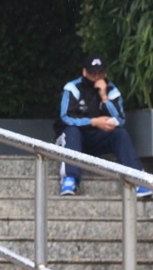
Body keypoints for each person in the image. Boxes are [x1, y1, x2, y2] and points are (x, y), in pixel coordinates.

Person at [55, 55, 152, 198]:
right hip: (71, 139)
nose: (96, 76)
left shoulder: (111, 90)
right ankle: (70, 179)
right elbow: (65, 118)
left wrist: (104, 96)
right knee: (72, 131)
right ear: (84, 72)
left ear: (105, 73)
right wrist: (94, 122)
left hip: (97, 139)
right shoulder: (73, 88)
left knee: (119, 133)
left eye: (100, 72)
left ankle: (137, 180)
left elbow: (120, 120)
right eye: (92, 72)